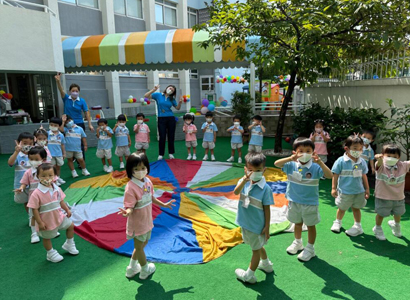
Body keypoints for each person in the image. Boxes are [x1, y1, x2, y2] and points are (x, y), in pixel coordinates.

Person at [118, 152, 176, 279]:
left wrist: (164, 204)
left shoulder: (148, 181)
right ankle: (145, 270)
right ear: (130, 170)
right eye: (136, 169)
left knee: (142, 245)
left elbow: (151, 197)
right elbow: (130, 206)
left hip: (147, 220)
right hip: (138, 223)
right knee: (139, 247)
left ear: (147, 168)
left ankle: (131, 268)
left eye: (143, 168)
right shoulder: (131, 187)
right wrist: (127, 212)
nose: (140, 171)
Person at [274, 138, 332, 262]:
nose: (304, 154)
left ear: (313, 152)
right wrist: (290, 158)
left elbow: (329, 175)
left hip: (310, 203)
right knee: (297, 223)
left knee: (310, 225)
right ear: (295, 152)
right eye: (301, 151)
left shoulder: (316, 167)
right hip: (294, 201)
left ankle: (310, 249)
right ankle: (298, 242)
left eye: (308, 151)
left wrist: (320, 162)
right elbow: (276, 164)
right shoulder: (291, 165)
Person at [233, 152, 274, 284]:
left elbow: (267, 209)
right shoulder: (243, 181)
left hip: (256, 226)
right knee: (257, 245)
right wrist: (244, 180)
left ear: (264, 170)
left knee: (255, 250)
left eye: (258, 170)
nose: (254, 173)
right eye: (251, 170)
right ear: (245, 169)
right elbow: (235, 192)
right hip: (245, 223)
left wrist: (267, 226)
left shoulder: (265, 189)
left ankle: (249, 276)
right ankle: (266, 265)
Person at [27, 163, 79, 263]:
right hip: (46, 220)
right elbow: (34, 209)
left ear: (55, 176)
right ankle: (50, 253)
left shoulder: (57, 188)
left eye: (50, 175)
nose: (47, 178)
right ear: (37, 176)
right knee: (47, 237)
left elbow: (61, 201)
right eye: (43, 176)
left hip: (59, 216)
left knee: (70, 226)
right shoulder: (36, 193)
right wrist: (39, 222)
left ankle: (69, 243)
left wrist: (67, 209)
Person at [330, 135, 370, 236]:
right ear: (347, 149)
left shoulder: (362, 162)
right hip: (345, 191)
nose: (359, 151)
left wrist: (367, 189)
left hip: (359, 191)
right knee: (342, 208)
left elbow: (364, 176)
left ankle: (358, 226)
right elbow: (335, 175)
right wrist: (333, 188)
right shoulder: (341, 161)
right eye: (355, 148)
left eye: (361, 148)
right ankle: (337, 222)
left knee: (356, 208)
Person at [55, 73, 94, 166]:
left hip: (78, 124)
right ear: (70, 91)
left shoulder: (82, 101)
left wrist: (89, 123)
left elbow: (86, 112)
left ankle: (81, 162)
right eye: (73, 90)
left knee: (79, 144)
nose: (75, 92)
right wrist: (58, 81)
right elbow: (61, 90)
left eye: (76, 91)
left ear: (79, 92)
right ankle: (71, 158)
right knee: (67, 142)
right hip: (67, 124)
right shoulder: (66, 99)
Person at [373, 145, 410, 240]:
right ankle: (377, 228)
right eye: (388, 155)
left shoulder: (403, 165)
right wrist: (379, 159)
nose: (391, 158)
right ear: (383, 155)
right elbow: (378, 164)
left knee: (398, 213)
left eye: (395, 157)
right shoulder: (380, 165)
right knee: (381, 214)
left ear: (399, 157)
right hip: (383, 196)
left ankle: (396, 225)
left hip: (398, 197)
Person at [144, 84, 183, 160]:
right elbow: (146, 96)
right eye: (170, 88)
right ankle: (161, 154)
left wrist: (180, 102)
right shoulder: (158, 95)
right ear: (166, 88)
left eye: (172, 90)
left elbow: (177, 108)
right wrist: (154, 89)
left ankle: (171, 153)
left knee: (171, 136)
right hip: (161, 118)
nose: (170, 90)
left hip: (171, 118)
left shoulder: (172, 99)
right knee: (162, 136)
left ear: (173, 93)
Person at [8, 132, 35, 241]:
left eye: (30, 143)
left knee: (36, 202)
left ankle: (37, 217)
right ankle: (30, 217)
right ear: (19, 143)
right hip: (21, 185)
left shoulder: (34, 154)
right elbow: (10, 163)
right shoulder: (18, 155)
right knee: (26, 202)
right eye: (24, 143)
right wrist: (16, 151)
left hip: (34, 184)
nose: (27, 145)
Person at [48, 117, 66, 185]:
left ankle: (58, 177)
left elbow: (62, 145)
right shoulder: (46, 134)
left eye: (55, 125)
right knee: (53, 167)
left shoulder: (61, 135)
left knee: (58, 167)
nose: (53, 126)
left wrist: (64, 153)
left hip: (58, 154)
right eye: (51, 125)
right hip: (50, 155)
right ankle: (54, 180)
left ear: (59, 126)